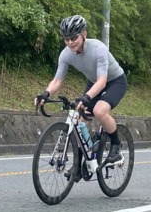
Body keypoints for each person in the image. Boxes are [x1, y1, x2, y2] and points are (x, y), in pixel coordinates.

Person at [35, 15, 128, 164]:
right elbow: (58, 80)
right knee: (78, 121)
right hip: (94, 82)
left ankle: (116, 145)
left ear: (84, 34)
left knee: (99, 111)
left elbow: (102, 81)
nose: (70, 43)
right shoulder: (66, 54)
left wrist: (87, 97)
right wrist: (46, 94)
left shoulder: (98, 48)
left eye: (74, 38)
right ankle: (79, 164)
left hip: (115, 81)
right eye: (66, 39)